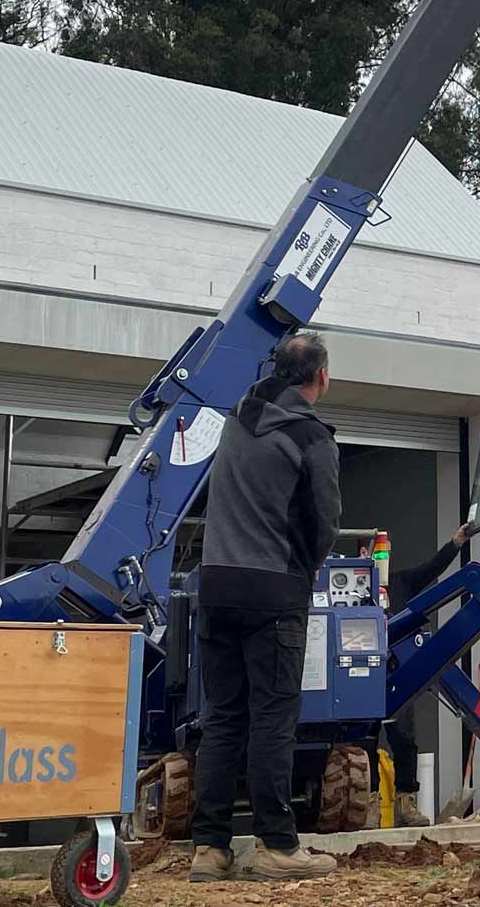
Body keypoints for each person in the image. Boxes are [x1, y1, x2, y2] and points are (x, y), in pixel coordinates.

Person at [190, 333, 341, 884]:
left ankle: (209, 849)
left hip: (217, 589)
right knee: (273, 718)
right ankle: (278, 846)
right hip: (272, 594)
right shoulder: (310, 436)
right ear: (320, 376)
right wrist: (300, 576)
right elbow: (323, 524)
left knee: (223, 718)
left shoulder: (234, 421)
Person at [376, 521, 472, 828]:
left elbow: (432, 568)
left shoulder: (401, 583)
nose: (382, 560)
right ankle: (365, 808)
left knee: (404, 739)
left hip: (397, 674)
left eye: (385, 554)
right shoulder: (354, 591)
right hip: (359, 678)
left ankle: (407, 803)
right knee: (360, 743)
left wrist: (456, 542)